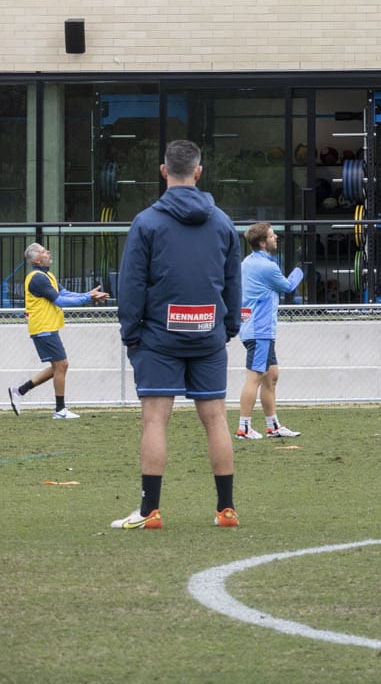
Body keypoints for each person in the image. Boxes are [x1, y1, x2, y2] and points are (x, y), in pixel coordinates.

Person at [112, 140, 244, 530]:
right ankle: (226, 510)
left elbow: (132, 284)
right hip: (208, 334)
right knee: (216, 418)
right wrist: (229, 327)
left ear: (163, 171)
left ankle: (150, 510)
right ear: (199, 172)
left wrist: (130, 333)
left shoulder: (147, 222)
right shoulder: (222, 222)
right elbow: (232, 281)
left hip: (157, 337)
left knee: (155, 420)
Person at [8, 242, 108, 417]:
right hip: (43, 328)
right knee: (62, 365)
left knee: (58, 367)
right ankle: (60, 410)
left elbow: (65, 294)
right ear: (38, 260)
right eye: (43, 251)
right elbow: (59, 301)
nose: (48, 252)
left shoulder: (47, 276)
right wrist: (88, 297)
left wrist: (89, 294)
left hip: (47, 327)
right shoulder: (37, 278)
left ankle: (20, 391)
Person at [235, 223, 304, 440]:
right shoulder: (267, 267)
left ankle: (272, 425)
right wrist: (301, 270)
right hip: (260, 330)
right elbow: (287, 286)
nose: (276, 239)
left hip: (254, 329)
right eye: (273, 236)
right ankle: (244, 428)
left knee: (271, 376)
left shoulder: (247, 263)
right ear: (263, 242)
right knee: (254, 378)